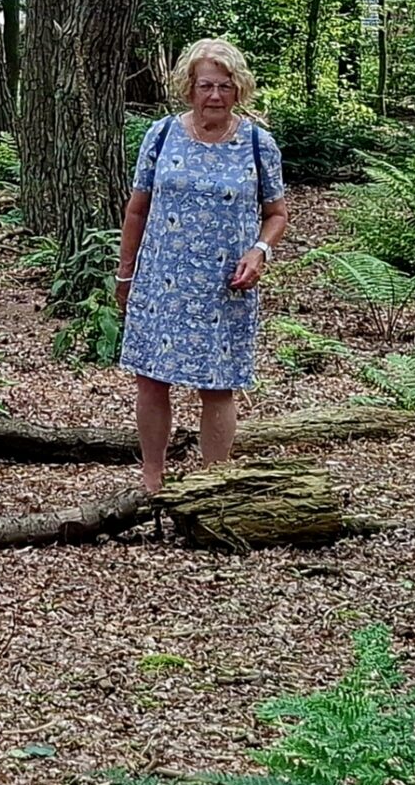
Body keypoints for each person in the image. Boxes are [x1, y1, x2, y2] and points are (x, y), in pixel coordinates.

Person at [117, 37, 288, 494]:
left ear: (240, 90)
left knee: (219, 385)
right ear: (189, 88)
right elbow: (137, 209)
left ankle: (212, 486)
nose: (215, 96)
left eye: (225, 86)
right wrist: (125, 272)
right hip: (160, 279)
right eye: (206, 85)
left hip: (224, 284)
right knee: (152, 379)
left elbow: (277, 213)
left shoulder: (257, 142)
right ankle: (152, 481)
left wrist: (260, 250)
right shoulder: (162, 135)